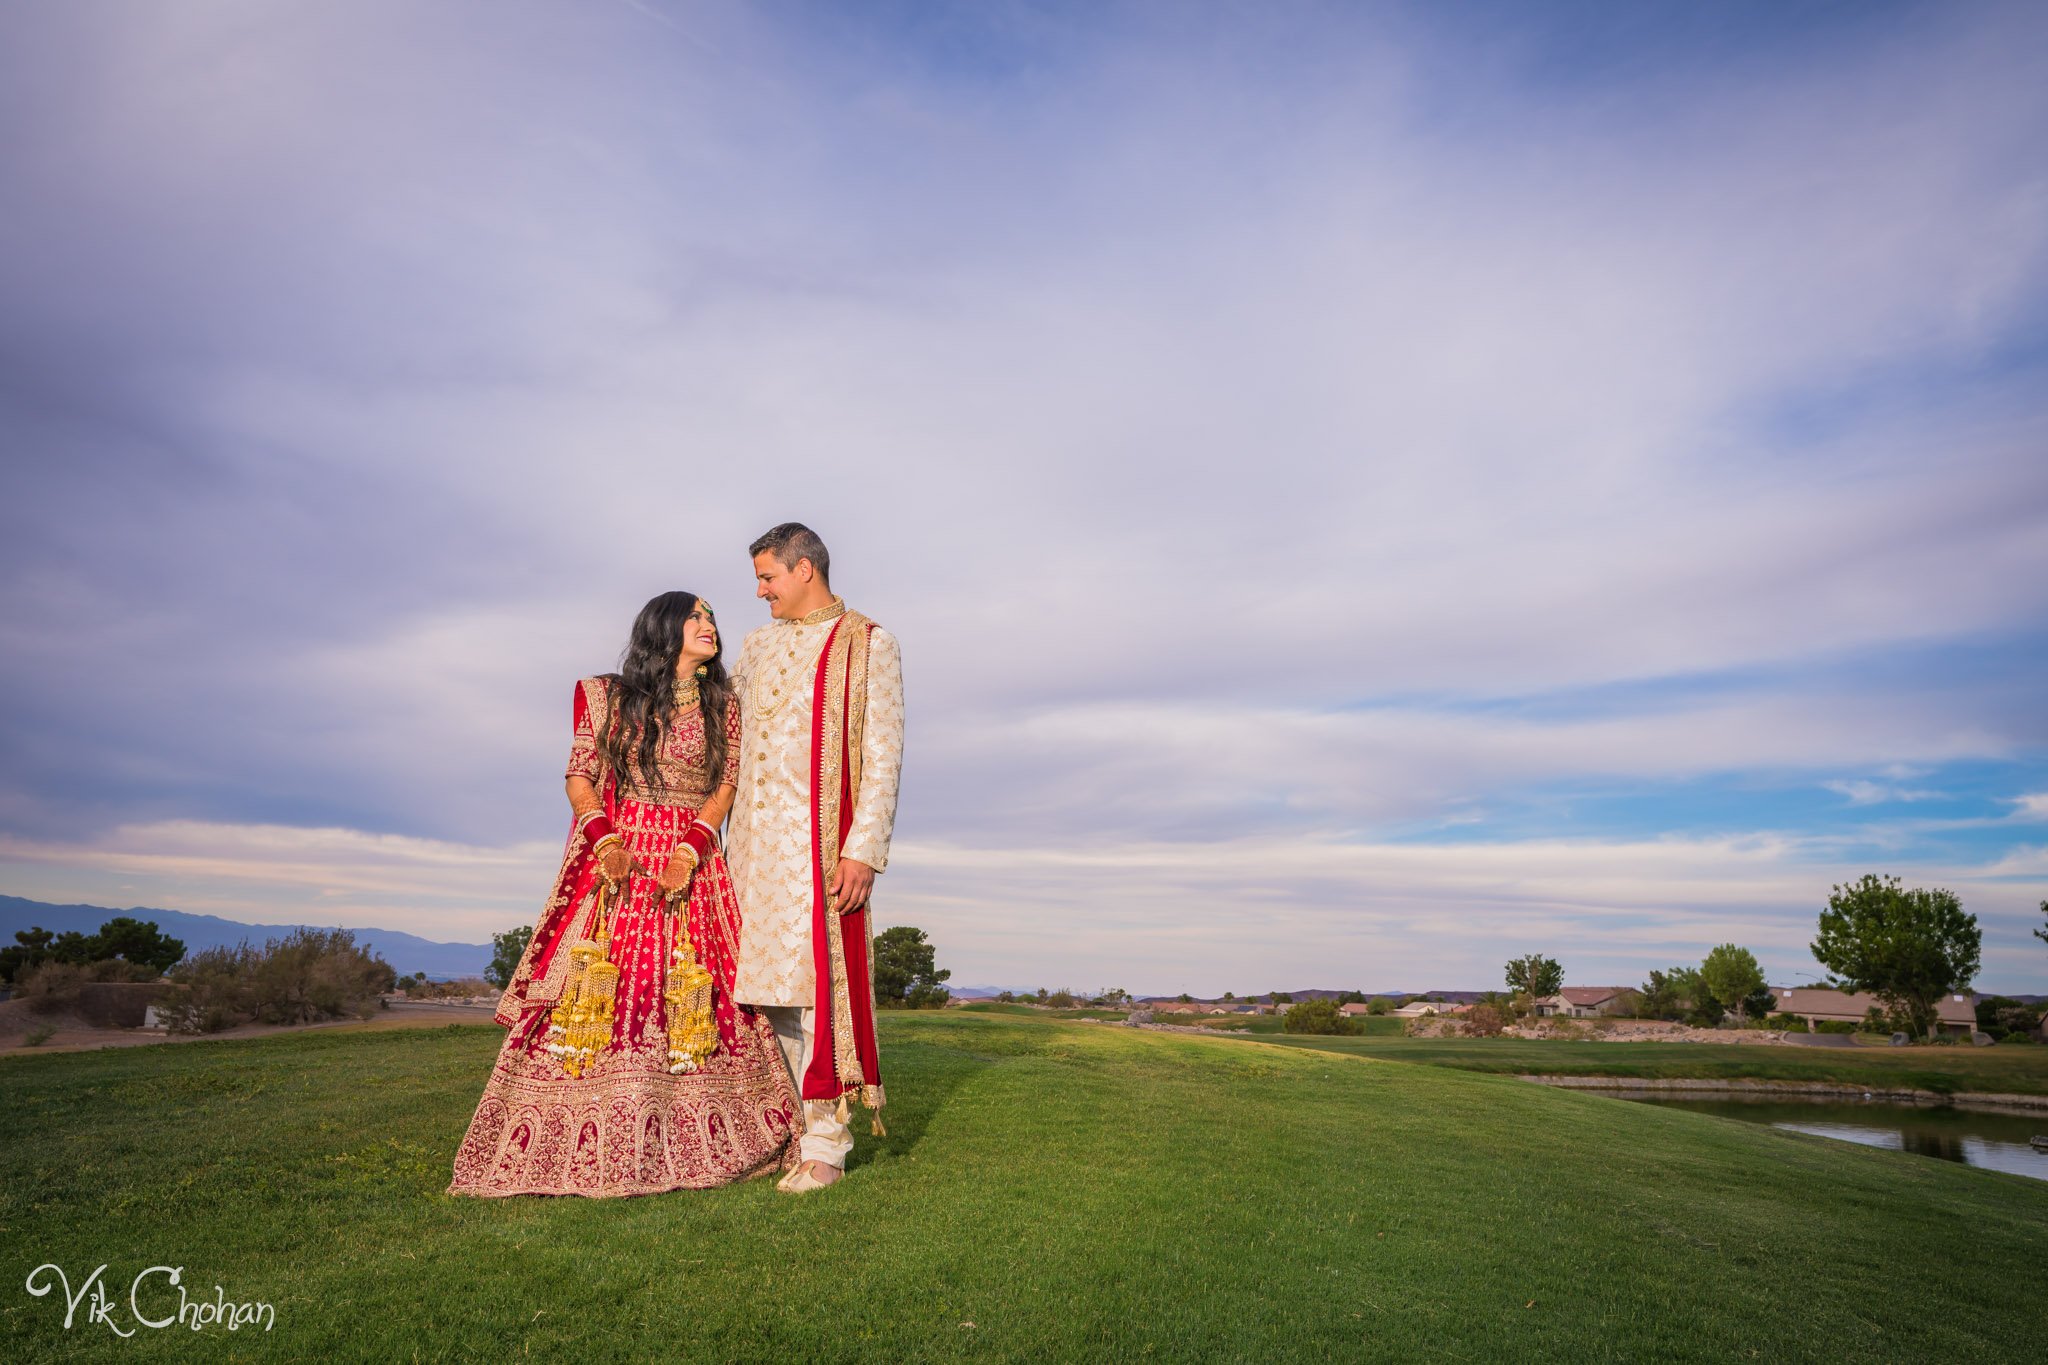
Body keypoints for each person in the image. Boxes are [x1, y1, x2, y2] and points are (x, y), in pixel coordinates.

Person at [448, 591, 797, 1198]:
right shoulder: (609, 696)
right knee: (604, 988)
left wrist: (689, 851)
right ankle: (577, 1142)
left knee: (693, 991)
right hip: (623, 856)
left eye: (711, 618)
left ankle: (709, 1139)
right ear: (663, 629)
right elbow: (579, 774)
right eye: (693, 617)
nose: (708, 626)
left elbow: (726, 785)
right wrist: (604, 840)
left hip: (694, 858)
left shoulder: (725, 706)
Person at [727, 523, 904, 1193]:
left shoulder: (868, 642)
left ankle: (827, 1141)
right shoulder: (755, 645)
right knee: (760, 995)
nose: (761, 590)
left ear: (806, 569)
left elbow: (883, 753)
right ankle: (786, 1130)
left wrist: (864, 849)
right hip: (749, 846)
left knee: (813, 994)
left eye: (768, 576)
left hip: (819, 848)